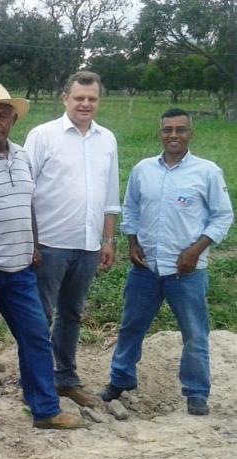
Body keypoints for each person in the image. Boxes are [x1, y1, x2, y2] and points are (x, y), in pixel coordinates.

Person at [0, 84, 89, 436]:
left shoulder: (23, 157)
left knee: (36, 336)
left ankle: (44, 409)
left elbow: (28, 205)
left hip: (21, 268)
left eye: (3, 116)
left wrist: (34, 243)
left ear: (14, 119)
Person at [101, 108, 233, 416]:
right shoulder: (143, 170)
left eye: (180, 129)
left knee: (194, 333)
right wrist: (132, 242)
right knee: (131, 326)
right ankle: (121, 380)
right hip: (145, 268)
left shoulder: (207, 172)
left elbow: (223, 216)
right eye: (168, 130)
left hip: (186, 272)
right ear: (160, 133)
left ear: (191, 133)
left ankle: (197, 392)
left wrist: (195, 251)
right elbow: (130, 208)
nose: (173, 135)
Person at [24, 70, 121, 408]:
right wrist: (31, 243)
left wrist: (108, 239)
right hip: (50, 244)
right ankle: (36, 383)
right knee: (41, 315)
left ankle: (65, 378)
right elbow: (25, 191)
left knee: (72, 313)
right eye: (79, 97)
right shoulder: (42, 136)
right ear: (65, 98)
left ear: (99, 101)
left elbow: (110, 195)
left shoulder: (107, 139)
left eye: (92, 98)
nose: (85, 104)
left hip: (88, 244)